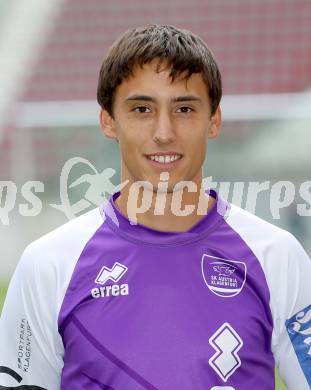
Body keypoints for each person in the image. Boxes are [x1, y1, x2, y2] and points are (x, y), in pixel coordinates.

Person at [0, 24, 310, 390]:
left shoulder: (276, 257)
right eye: (142, 108)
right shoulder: (48, 265)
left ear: (214, 120)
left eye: (184, 108)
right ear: (108, 121)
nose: (164, 132)